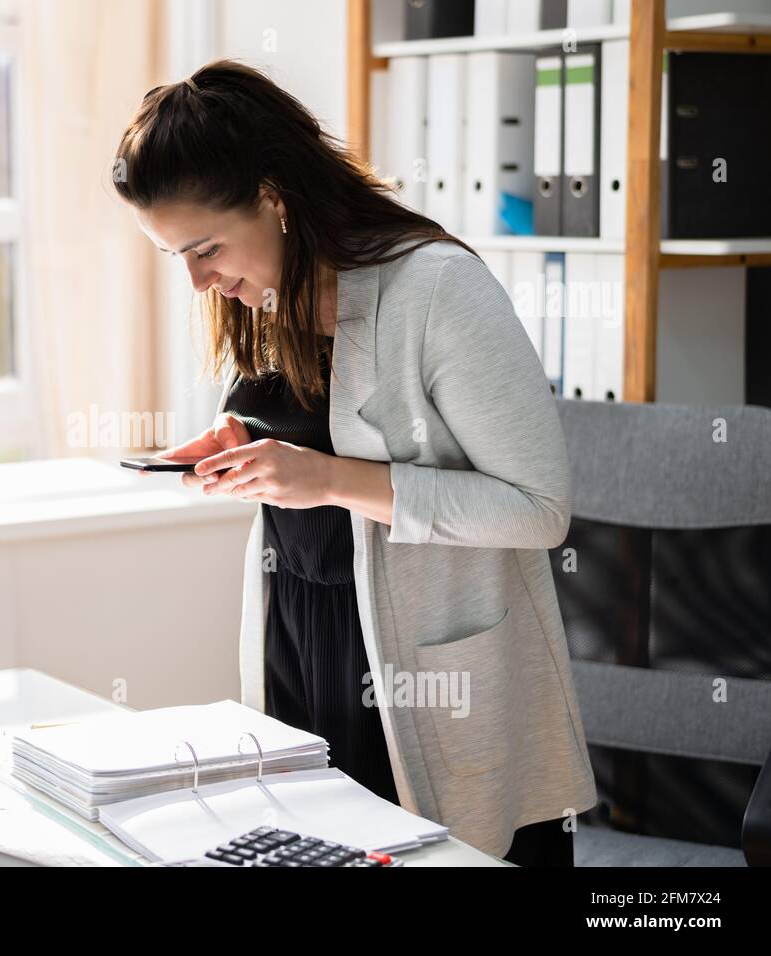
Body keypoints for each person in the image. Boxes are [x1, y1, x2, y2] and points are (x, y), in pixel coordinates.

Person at [111, 60, 595, 866]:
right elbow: (315, 426)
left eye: (204, 248)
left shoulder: (437, 289)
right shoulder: (268, 291)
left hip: (423, 677)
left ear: (273, 197)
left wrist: (328, 481)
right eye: (176, 259)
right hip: (303, 650)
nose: (199, 280)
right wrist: (240, 443)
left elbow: (537, 509)